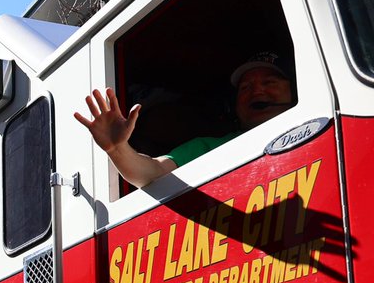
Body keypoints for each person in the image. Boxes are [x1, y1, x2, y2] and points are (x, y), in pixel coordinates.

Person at [75, 52, 295, 188]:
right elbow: (151, 174)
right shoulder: (208, 146)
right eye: (245, 87)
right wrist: (117, 149)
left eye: (269, 82)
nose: (256, 90)